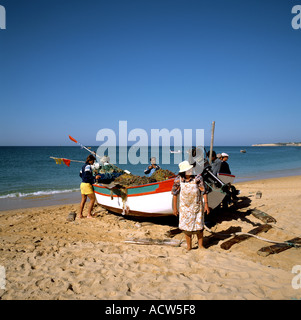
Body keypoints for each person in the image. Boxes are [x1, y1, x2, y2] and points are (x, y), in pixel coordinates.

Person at [172, 161, 210, 251]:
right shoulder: (178, 180)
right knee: (186, 228)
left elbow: (204, 191)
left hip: (197, 206)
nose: (190, 171)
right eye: (187, 170)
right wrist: (175, 208)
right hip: (185, 208)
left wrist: (206, 205)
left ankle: (200, 246)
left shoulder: (198, 178)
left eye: (190, 169)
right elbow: (174, 194)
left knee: (199, 227)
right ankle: (189, 246)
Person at [79, 155, 100, 219]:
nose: (93, 162)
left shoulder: (83, 166)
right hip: (87, 185)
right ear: (90, 160)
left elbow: (80, 174)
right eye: (93, 161)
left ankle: (80, 215)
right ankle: (89, 215)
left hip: (82, 184)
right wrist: (94, 177)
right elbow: (87, 176)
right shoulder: (88, 166)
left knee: (83, 200)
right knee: (92, 199)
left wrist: (85, 179)